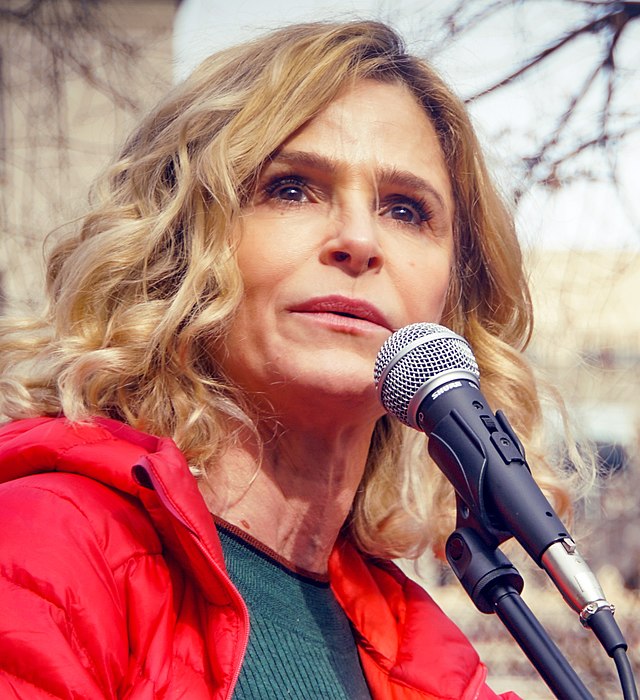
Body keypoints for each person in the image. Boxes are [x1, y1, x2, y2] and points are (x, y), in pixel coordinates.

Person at [0, 20, 584, 700]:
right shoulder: (41, 547)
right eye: (291, 188)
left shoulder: (433, 664)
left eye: (405, 209)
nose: (360, 240)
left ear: (451, 301)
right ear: (181, 247)